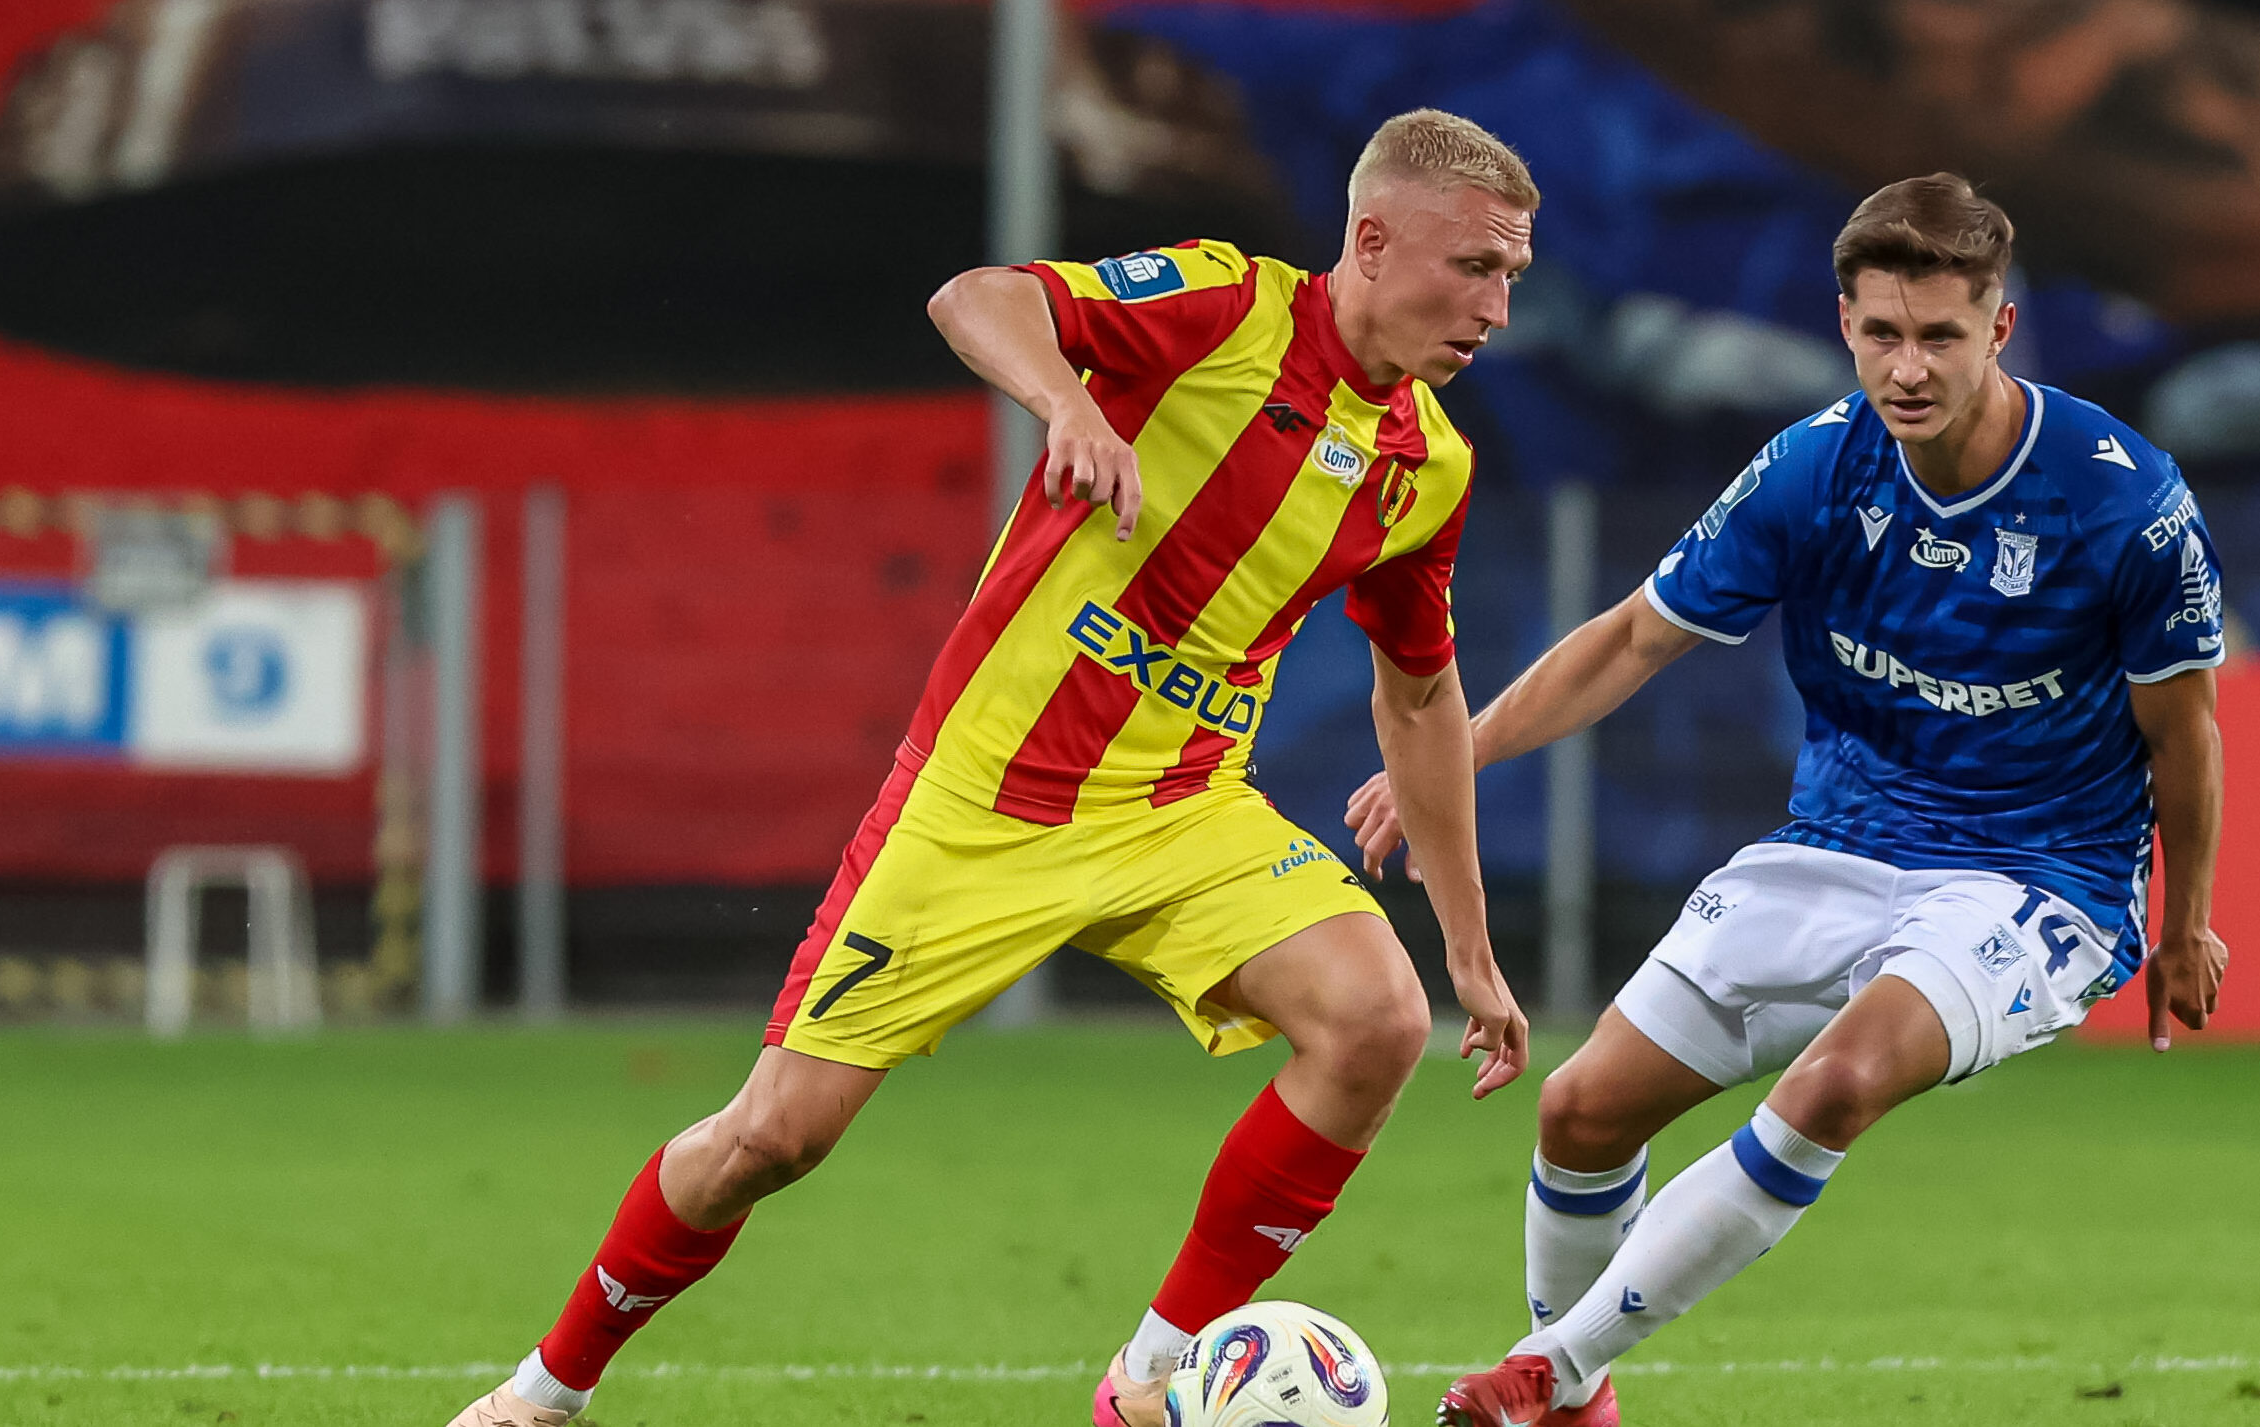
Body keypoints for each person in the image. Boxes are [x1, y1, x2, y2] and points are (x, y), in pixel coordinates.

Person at [444, 108, 1538, 1427]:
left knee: (1374, 1015)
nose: (1496, 308)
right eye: (1474, 268)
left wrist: (1468, 948)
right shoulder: (1226, 308)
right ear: (1371, 241)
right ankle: (543, 1389)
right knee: (771, 1137)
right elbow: (977, 297)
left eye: (1512, 279)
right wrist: (1071, 405)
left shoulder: (1429, 465)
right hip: (984, 798)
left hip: (1178, 805)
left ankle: (1150, 1376)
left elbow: (1418, 694)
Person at [1343, 173, 2231, 1427]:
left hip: (2042, 875)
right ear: (1844, 323)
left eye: (1939, 335)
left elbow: (2182, 728)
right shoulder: (1813, 470)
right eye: (1880, 333)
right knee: (1579, 1108)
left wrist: (2183, 919)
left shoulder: (2120, 497)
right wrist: (1457, 751)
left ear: (1999, 328)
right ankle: (1572, 1391)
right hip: (1839, 840)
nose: (1906, 367)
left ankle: (1543, 1373)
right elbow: (1632, 639)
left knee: (1833, 1081)